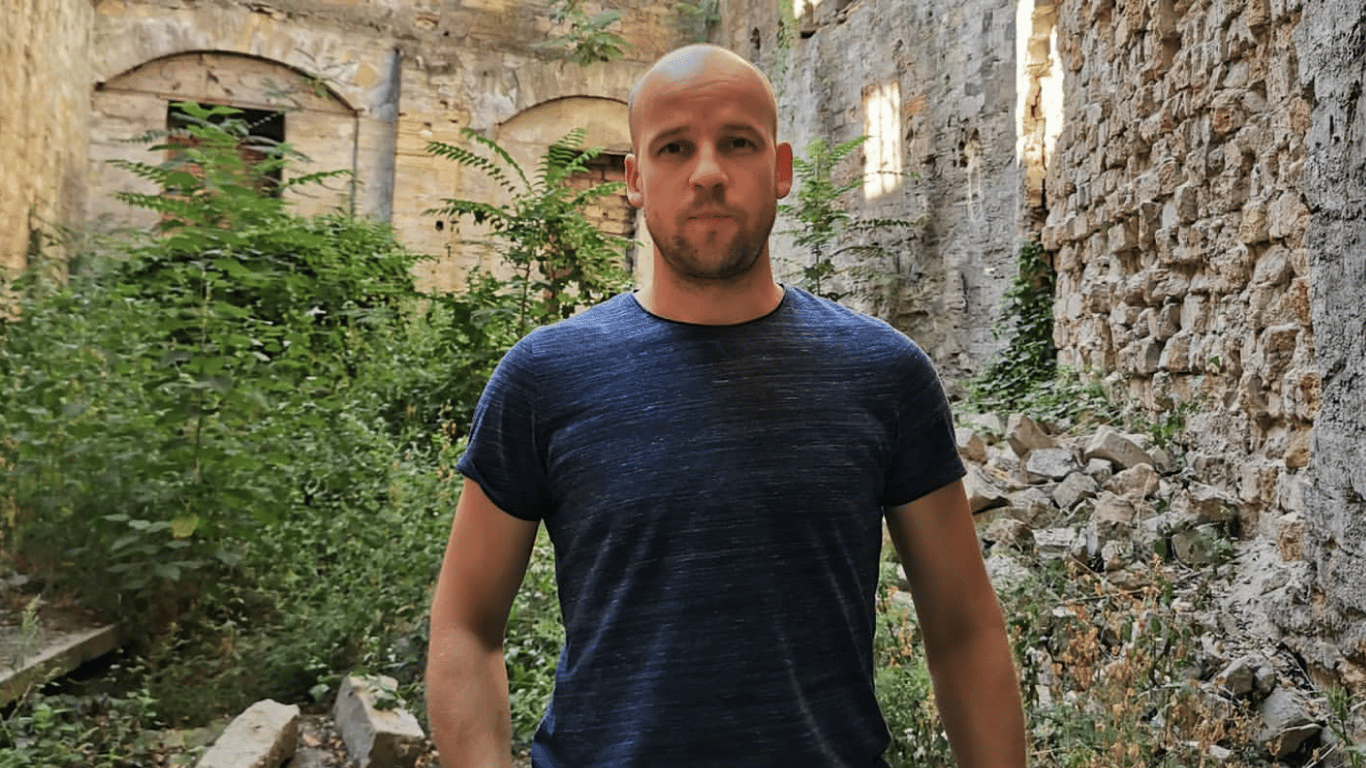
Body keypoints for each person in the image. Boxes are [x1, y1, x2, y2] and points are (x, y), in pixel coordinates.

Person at [426, 43, 1027, 768]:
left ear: (780, 170)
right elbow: (465, 628)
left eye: (737, 143)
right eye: (674, 147)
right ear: (635, 179)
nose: (707, 172)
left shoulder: (885, 375)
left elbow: (963, 630)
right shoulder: (544, 379)